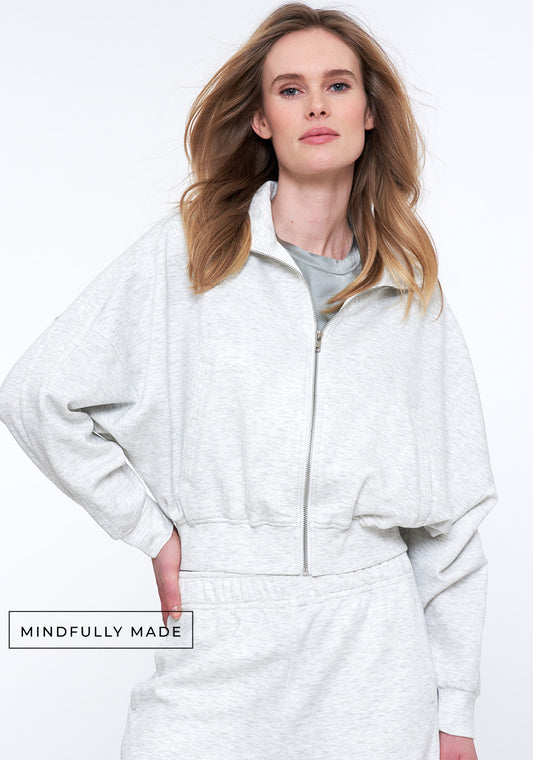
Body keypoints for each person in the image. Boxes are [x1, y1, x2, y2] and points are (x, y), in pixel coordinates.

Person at [0, 3, 497, 759]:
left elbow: (452, 524)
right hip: (223, 620)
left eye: (337, 85)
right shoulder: (192, 253)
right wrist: (153, 534)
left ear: (369, 113)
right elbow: (38, 393)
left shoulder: (410, 292)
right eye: (290, 90)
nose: (317, 105)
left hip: (372, 649)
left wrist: (453, 712)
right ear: (262, 119)